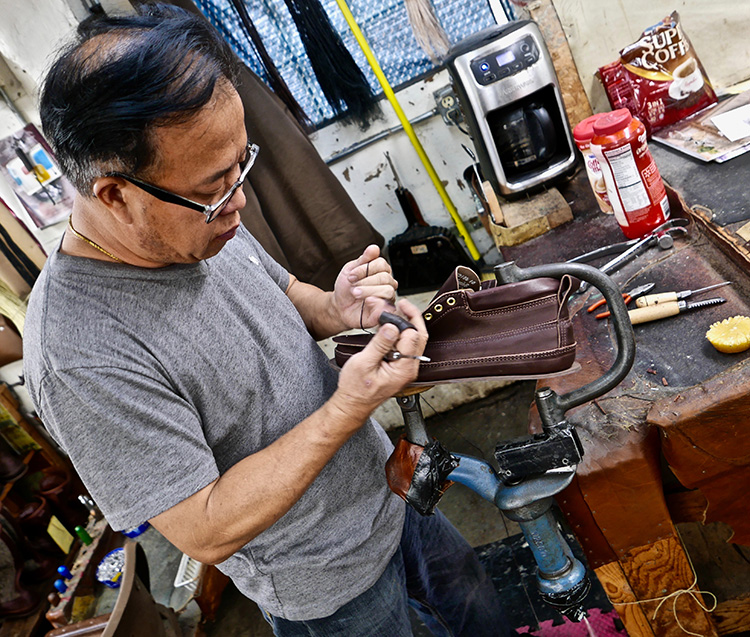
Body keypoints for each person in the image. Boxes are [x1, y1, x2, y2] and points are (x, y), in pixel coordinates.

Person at [23, 4, 511, 635]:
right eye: (217, 187)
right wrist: (348, 405)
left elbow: (279, 291)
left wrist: (335, 308)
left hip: (392, 490)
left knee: (477, 610)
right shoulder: (79, 355)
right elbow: (204, 527)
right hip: (326, 584)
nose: (240, 201)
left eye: (240, 167)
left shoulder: (193, 217)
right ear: (115, 194)